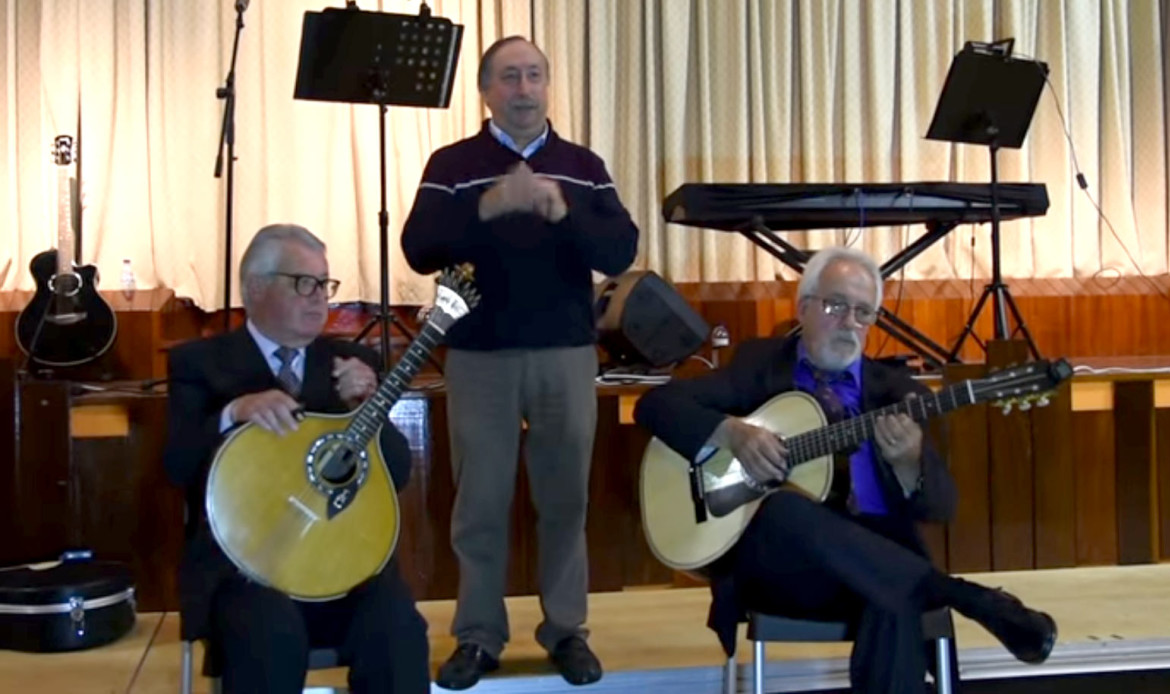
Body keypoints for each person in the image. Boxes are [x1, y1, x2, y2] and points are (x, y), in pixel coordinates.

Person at [633, 247, 1057, 694]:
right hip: (783, 573)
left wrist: (909, 463)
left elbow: (943, 506)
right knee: (782, 509)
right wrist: (732, 434)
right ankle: (966, 597)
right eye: (836, 306)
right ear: (804, 308)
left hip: (876, 568)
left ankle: (948, 592)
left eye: (863, 312)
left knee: (893, 598)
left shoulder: (898, 393)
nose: (849, 323)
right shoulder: (759, 365)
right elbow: (656, 405)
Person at [401, 36, 638, 690]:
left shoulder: (582, 165)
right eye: (510, 77)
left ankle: (567, 631)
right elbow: (418, 247)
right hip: (479, 356)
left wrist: (564, 214)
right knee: (479, 503)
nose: (525, 88)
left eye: (535, 75)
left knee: (565, 500)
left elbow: (619, 249)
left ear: (547, 85)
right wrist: (487, 206)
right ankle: (477, 636)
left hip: (565, 352)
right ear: (486, 90)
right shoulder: (454, 164)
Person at [165, 224, 430, 694]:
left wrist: (364, 408)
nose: (318, 298)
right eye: (302, 283)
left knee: (396, 623)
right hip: (246, 570)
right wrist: (233, 412)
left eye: (324, 284)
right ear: (255, 288)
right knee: (268, 631)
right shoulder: (201, 364)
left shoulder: (345, 362)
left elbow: (397, 473)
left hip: (340, 565)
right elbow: (178, 466)